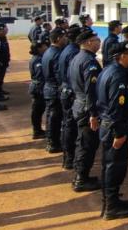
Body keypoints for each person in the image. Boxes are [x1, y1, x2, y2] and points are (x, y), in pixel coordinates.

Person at [96, 41, 128, 219]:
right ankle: (111, 207)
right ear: (122, 56)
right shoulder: (118, 76)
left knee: (110, 164)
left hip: (108, 124)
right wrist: (119, 133)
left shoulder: (109, 69)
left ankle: (110, 200)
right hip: (114, 126)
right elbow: (116, 107)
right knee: (115, 166)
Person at [69, 28, 103, 192]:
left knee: (83, 142)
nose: (99, 43)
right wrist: (93, 114)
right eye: (97, 40)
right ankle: (81, 179)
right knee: (87, 145)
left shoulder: (77, 58)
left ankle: (82, 175)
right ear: (89, 42)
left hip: (79, 104)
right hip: (87, 108)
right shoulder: (89, 62)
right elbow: (91, 91)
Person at [57, 25, 82, 169]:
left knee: (68, 124)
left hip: (66, 90)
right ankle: (69, 158)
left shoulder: (68, 49)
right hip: (71, 92)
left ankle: (69, 156)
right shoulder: (73, 52)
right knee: (70, 126)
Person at [42, 27, 68, 153]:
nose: (66, 39)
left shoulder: (49, 51)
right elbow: (59, 75)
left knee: (51, 116)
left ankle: (51, 140)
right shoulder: (57, 54)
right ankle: (53, 143)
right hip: (54, 89)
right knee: (54, 117)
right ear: (58, 39)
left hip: (49, 87)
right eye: (64, 37)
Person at [28, 36, 49, 140]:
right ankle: (37, 131)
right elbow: (40, 75)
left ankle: (38, 130)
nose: (46, 47)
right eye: (44, 46)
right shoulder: (38, 60)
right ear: (39, 48)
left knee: (38, 110)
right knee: (37, 111)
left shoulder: (38, 58)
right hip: (38, 88)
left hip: (38, 87)